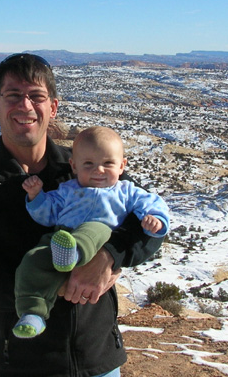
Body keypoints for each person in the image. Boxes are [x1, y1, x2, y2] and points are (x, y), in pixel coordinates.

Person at [0, 53, 164, 377]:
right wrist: (64, 284)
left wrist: (109, 258)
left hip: (97, 369)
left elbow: (146, 224)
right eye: (13, 95)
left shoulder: (86, 165)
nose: (25, 105)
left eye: (36, 96)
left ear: (54, 107)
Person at [13, 125, 169, 338]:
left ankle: (73, 253)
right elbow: (47, 214)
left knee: (92, 229)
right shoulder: (67, 189)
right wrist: (36, 196)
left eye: (108, 164)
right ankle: (33, 313)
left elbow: (151, 202)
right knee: (32, 260)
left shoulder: (125, 191)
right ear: (74, 166)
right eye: (89, 164)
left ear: (122, 166)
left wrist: (155, 219)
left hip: (98, 236)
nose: (99, 170)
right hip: (61, 236)